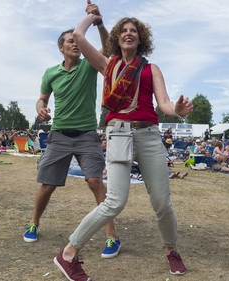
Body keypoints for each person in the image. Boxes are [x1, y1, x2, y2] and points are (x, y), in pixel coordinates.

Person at [53, 14, 193, 280]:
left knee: (162, 203)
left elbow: (163, 104)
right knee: (114, 202)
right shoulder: (108, 66)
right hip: (118, 135)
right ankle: (68, 254)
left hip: (150, 136)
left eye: (134, 31)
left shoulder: (152, 69)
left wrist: (177, 109)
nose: (129, 33)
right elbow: (80, 38)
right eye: (124, 31)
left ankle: (171, 250)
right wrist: (92, 18)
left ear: (141, 39)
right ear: (117, 38)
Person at [23, 1, 120, 259]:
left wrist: (98, 22)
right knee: (47, 185)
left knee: (96, 182)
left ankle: (112, 236)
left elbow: (109, 48)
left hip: (87, 135)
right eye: (69, 41)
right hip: (59, 135)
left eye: (76, 40)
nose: (75, 43)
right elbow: (41, 98)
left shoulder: (89, 64)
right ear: (61, 47)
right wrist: (40, 107)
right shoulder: (50, 72)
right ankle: (34, 222)